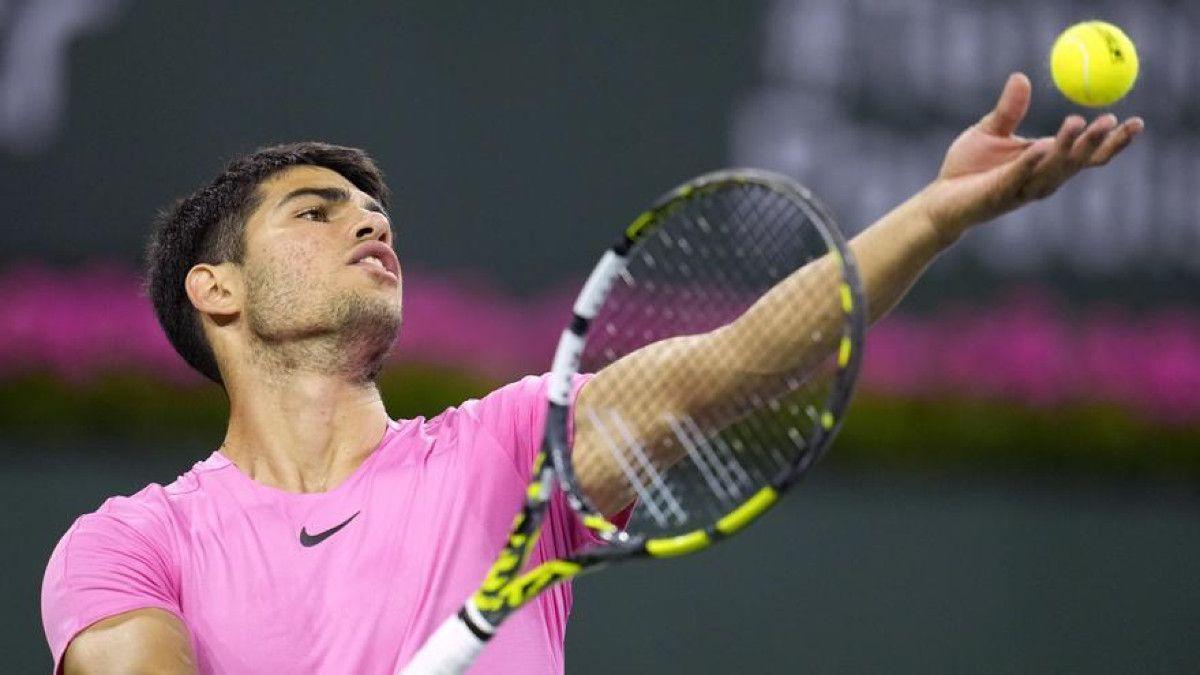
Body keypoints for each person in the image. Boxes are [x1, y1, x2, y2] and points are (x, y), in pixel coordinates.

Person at [41, 73, 1141, 674]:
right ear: (215, 290)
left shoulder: (512, 453)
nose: (370, 225)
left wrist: (937, 216)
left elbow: (743, 362)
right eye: (316, 212)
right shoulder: (132, 545)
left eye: (375, 213)